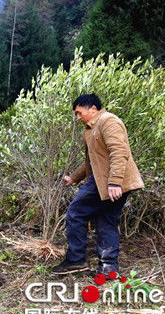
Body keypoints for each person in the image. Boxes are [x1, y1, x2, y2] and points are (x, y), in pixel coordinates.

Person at [52, 94, 144, 276]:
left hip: (109, 182)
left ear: (92, 109)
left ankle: (76, 259)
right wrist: (74, 179)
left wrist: (114, 182)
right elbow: (92, 161)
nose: (78, 117)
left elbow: (119, 151)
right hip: (108, 181)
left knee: (76, 212)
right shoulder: (93, 128)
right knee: (106, 220)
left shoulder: (108, 121)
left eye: (79, 113)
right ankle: (108, 268)